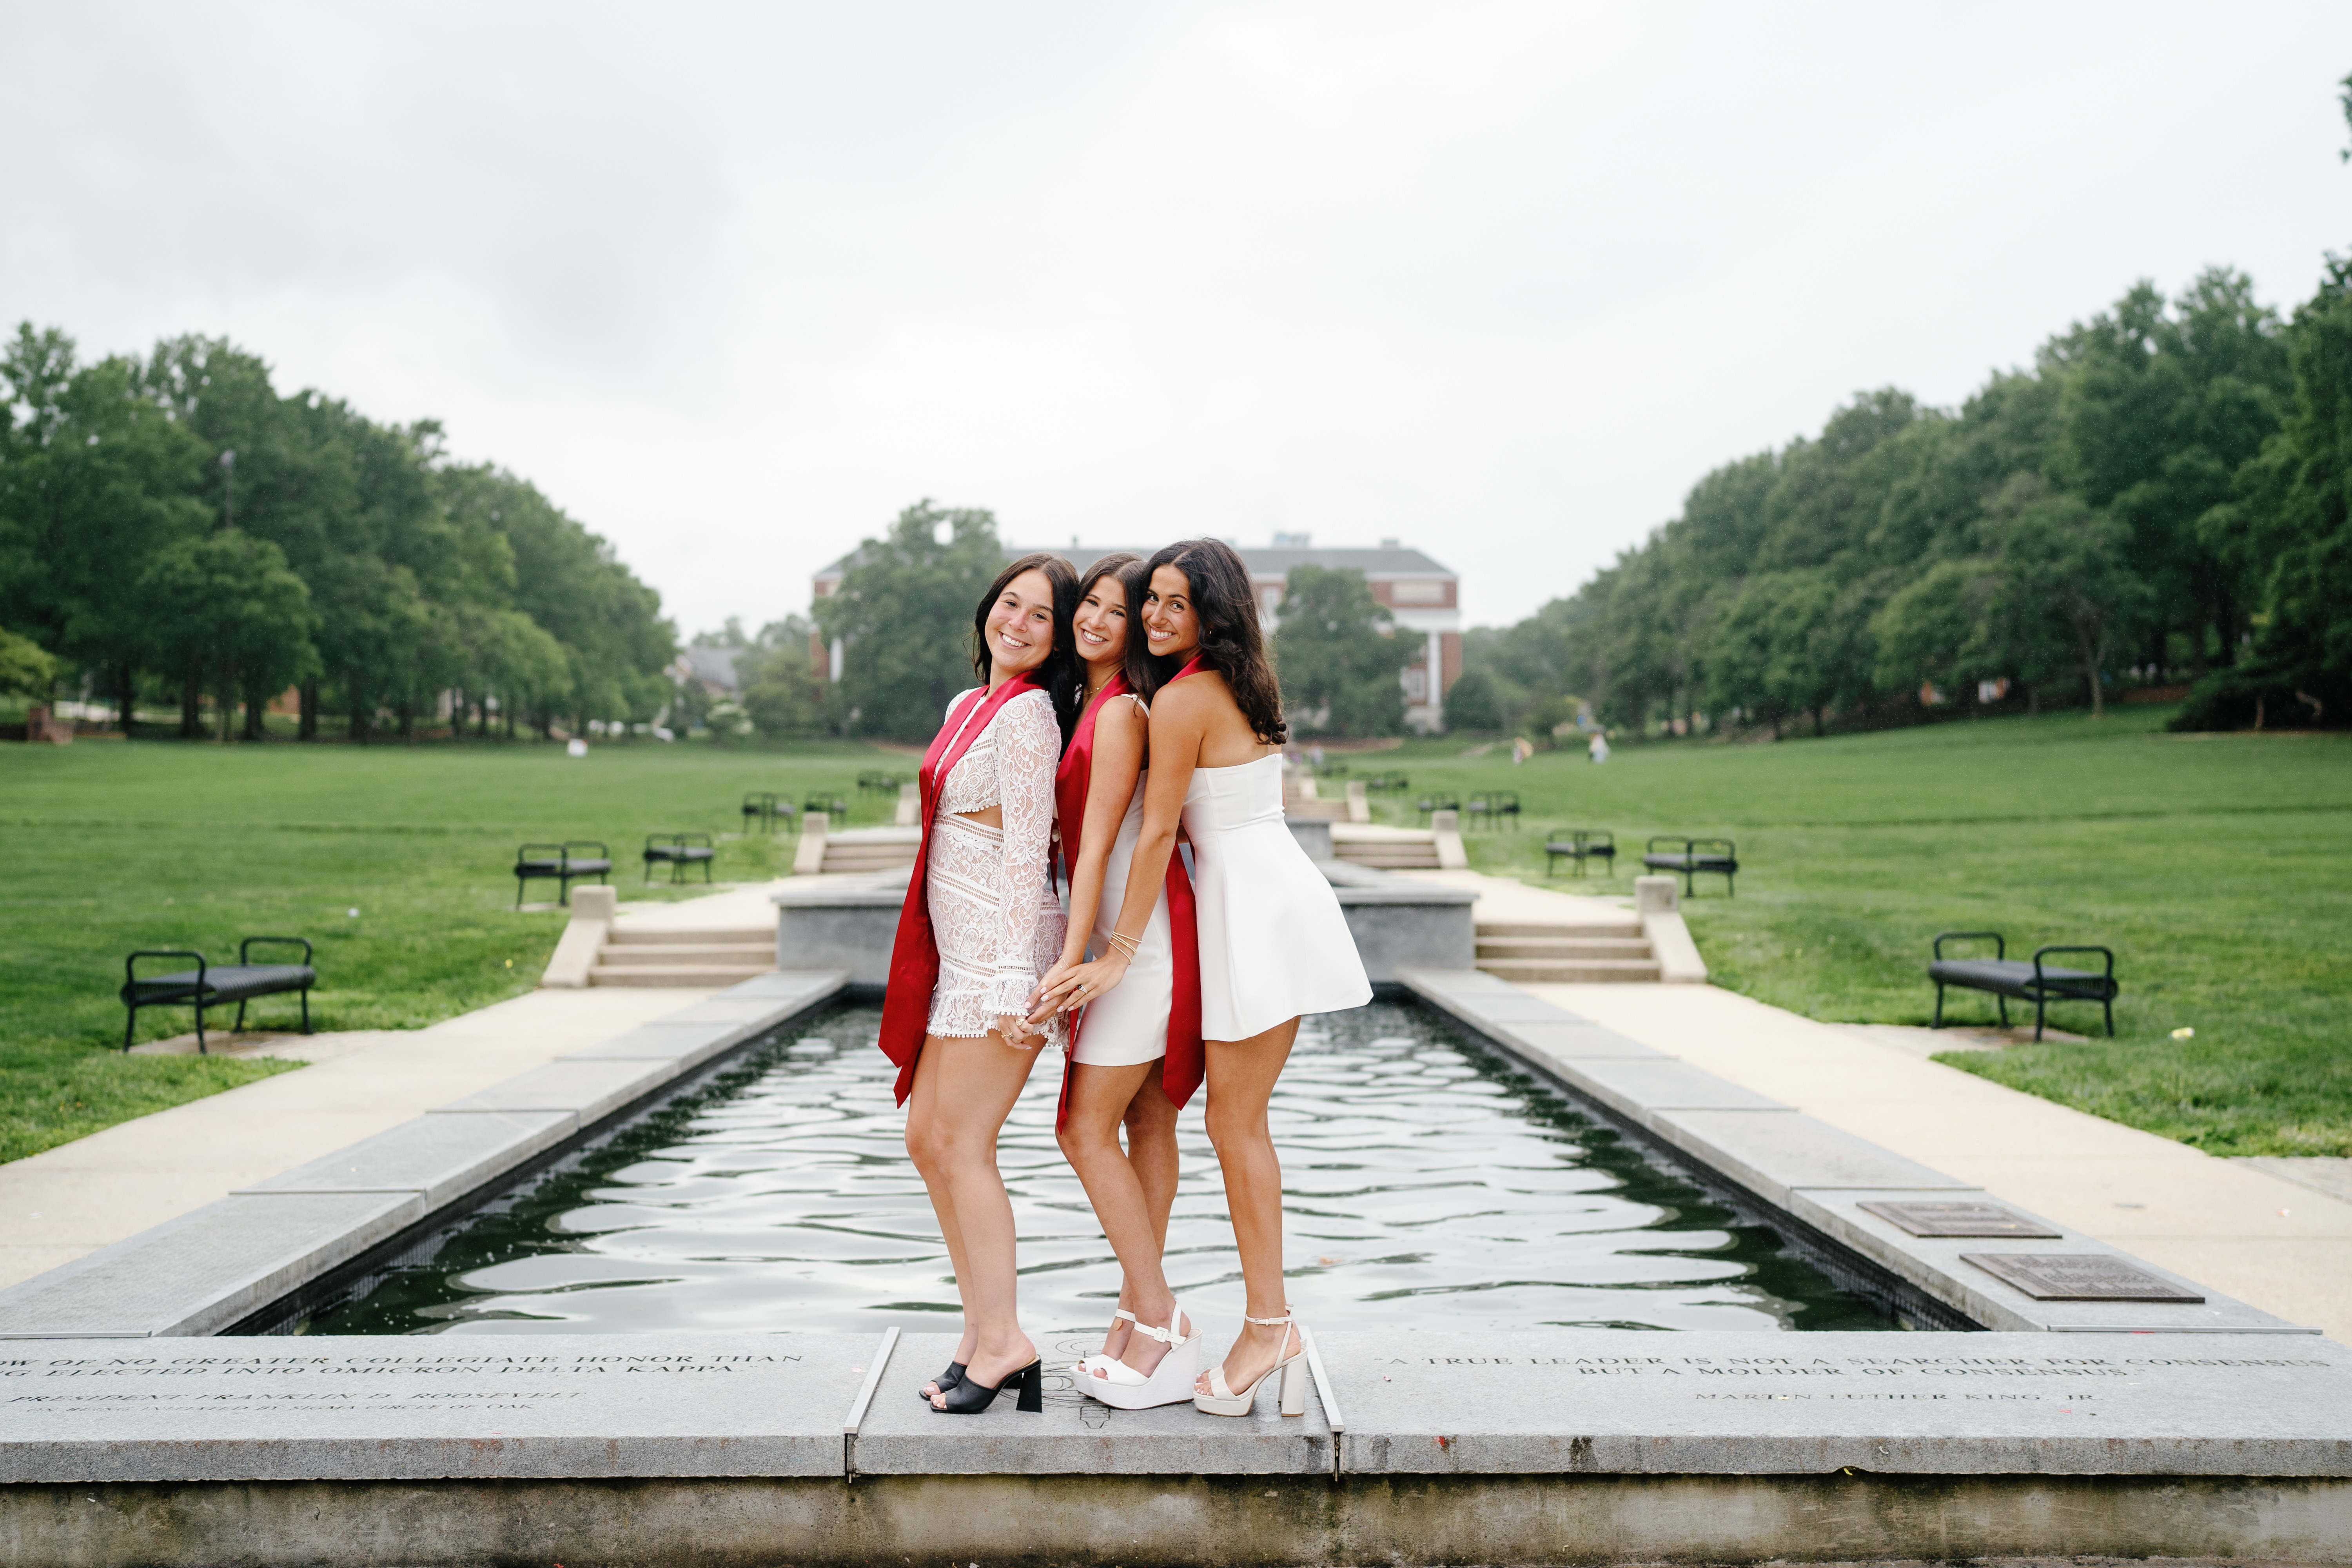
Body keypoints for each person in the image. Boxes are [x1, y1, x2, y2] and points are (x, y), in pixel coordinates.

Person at [1033, 538, 1369, 1418]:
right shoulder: (1239, 683)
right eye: (1154, 600)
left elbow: (1153, 836)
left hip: (1251, 907)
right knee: (1228, 1121)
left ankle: (1270, 1325)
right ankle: (1248, 1320)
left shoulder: (1181, 700)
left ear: (1212, 614)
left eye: (1174, 604)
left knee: (1235, 1122)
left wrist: (1113, 952)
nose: (1152, 615)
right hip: (1261, 896)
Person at [881, 552, 1082, 1415]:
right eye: (1012, 604)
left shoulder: (1032, 713)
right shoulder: (970, 704)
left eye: (1043, 615)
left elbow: (1028, 847)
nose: (1020, 624)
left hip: (1000, 960)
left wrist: (1010, 977)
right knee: (927, 1138)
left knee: (964, 1144)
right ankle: (979, 1330)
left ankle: (1007, 1342)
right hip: (954, 955)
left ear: (1058, 635)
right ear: (987, 610)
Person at [1030, 554, 1205, 1410]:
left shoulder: (1127, 711)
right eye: (1088, 603)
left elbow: (1100, 845)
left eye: (1117, 609)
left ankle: (1161, 1315)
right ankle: (1141, 1315)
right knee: (1146, 1118)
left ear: (1140, 628)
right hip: (1133, 935)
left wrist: (1075, 958)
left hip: (1138, 947)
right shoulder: (1089, 704)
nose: (1096, 618)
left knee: (1082, 1128)